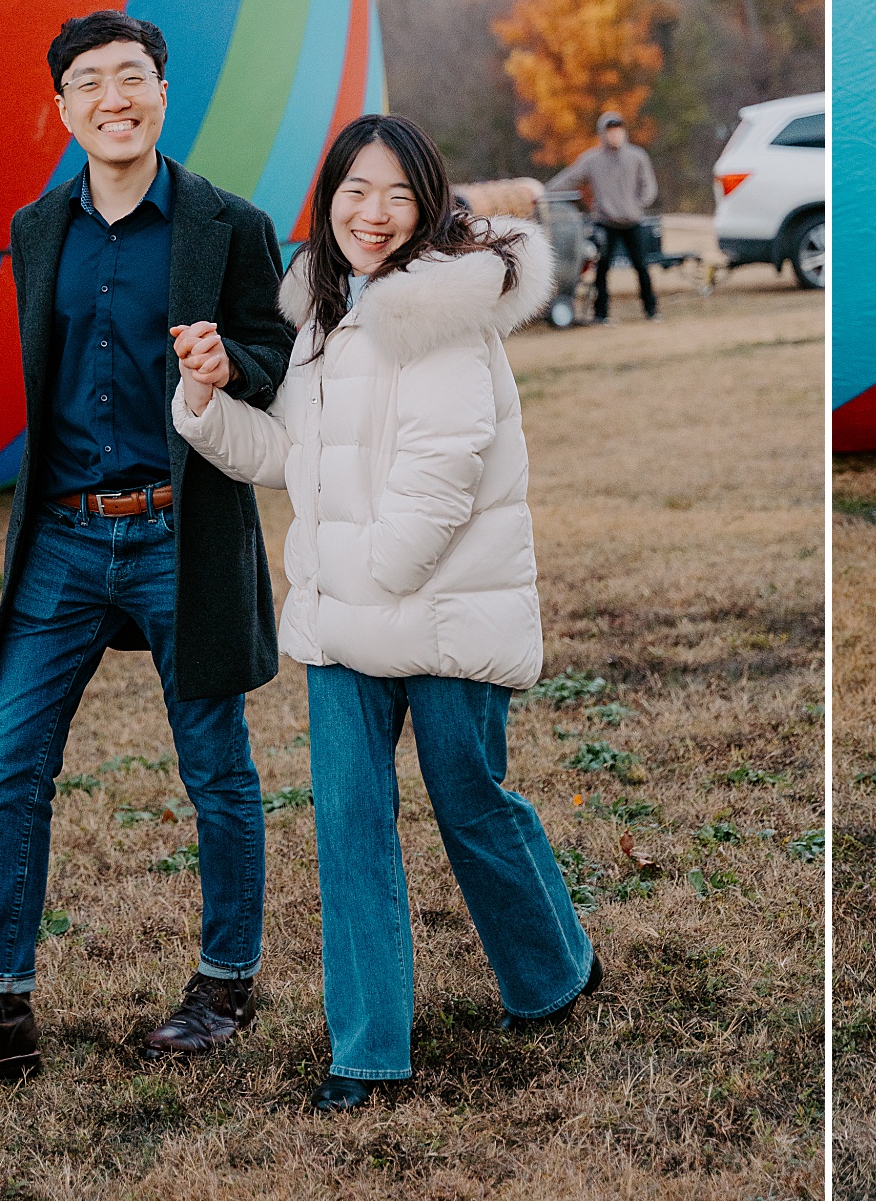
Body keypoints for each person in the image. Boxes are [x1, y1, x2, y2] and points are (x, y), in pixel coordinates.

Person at [0, 12, 295, 1082]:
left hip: (179, 527)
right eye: (90, 83)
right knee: (10, 765)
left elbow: (278, 348)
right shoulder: (37, 228)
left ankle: (223, 985)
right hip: (64, 539)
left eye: (133, 78)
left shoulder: (229, 224)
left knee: (217, 769)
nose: (114, 98)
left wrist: (232, 361)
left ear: (164, 93)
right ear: (63, 108)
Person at [171, 114, 599, 1112]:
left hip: (442, 614)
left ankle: (553, 971)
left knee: (469, 800)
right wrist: (203, 404)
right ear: (329, 201)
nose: (374, 212)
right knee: (350, 825)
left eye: (398, 194)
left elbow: (442, 477)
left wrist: (359, 574)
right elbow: (296, 459)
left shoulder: (440, 311)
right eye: (356, 191)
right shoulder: (322, 315)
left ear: (429, 206)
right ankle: (364, 1052)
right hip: (345, 625)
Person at [548, 109, 659, 322]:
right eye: (610, 131)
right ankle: (601, 315)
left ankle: (651, 310)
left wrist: (639, 205)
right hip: (606, 221)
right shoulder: (593, 160)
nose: (614, 135)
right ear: (603, 134)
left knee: (641, 266)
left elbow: (649, 186)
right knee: (602, 269)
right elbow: (570, 178)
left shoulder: (637, 156)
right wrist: (544, 193)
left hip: (632, 221)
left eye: (618, 130)